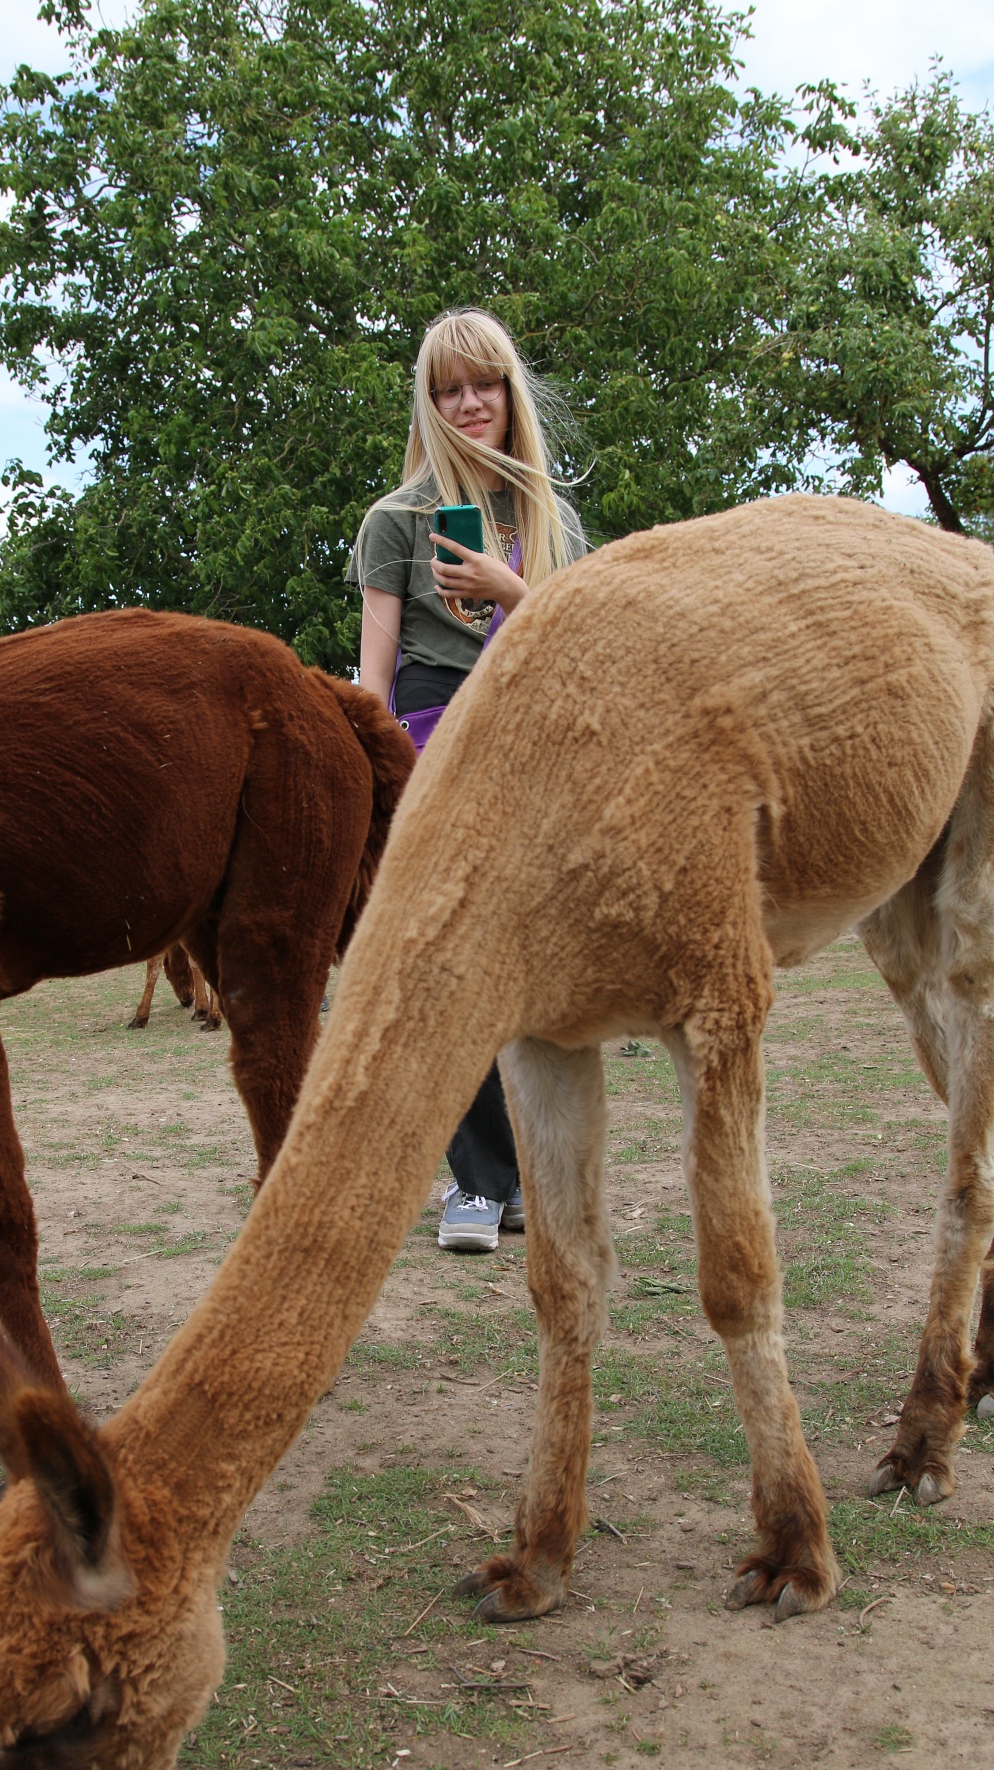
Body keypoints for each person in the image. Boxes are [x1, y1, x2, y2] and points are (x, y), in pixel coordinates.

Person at [348, 307, 589, 1252]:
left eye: (483, 383)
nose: (467, 403)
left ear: (508, 390)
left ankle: (528, 1173)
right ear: (429, 402)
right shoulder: (394, 521)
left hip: (533, 739)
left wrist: (510, 590)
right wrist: (375, 794)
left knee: (532, 965)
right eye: (447, 389)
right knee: (440, 966)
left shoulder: (550, 517)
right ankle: (479, 1185)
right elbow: (371, 676)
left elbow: (583, 649)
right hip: (432, 739)